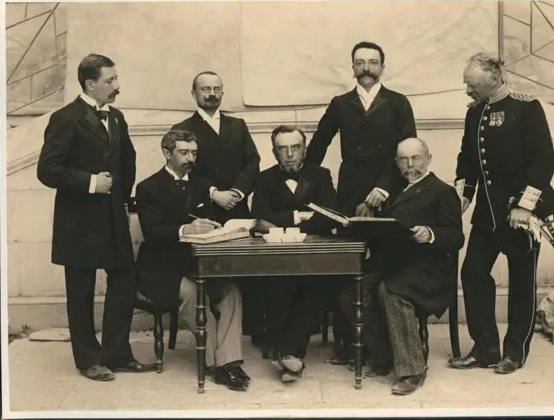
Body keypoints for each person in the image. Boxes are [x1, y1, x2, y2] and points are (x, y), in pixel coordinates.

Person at [37, 54, 155, 381]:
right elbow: (47, 170)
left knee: (123, 283)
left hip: (113, 219)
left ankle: (117, 353)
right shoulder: (65, 118)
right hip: (79, 223)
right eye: (110, 80)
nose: (117, 86)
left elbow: (127, 162)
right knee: (81, 291)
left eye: (116, 79)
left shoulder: (116, 117)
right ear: (91, 84)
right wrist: (92, 183)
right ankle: (88, 359)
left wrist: (118, 196)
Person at [305, 41, 417, 363]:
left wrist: (383, 189)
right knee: (347, 265)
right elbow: (317, 148)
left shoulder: (398, 103)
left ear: (383, 66)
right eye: (360, 62)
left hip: (389, 194)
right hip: (349, 196)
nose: (366, 68)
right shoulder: (341, 104)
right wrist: (314, 190)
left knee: (384, 264)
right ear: (352, 67)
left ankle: (384, 346)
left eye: (372, 62)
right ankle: (347, 347)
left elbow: (407, 152)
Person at [448, 53, 554, 375]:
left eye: (472, 85)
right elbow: (467, 160)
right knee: (472, 274)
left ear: (494, 78)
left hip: (522, 214)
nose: (467, 91)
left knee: (522, 283)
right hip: (488, 214)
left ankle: (514, 352)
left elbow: (543, 162)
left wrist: (524, 206)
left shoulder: (525, 107)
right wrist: (462, 200)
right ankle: (485, 348)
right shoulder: (474, 113)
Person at [338, 138, 465, 395]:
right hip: (393, 263)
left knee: (391, 291)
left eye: (416, 158)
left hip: (429, 268)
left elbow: (456, 237)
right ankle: (384, 355)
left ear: (428, 158)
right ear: (396, 163)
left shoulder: (442, 191)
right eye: (403, 160)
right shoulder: (394, 191)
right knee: (350, 294)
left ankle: (412, 369)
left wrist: (429, 233)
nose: (410, 165)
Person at [135, 129, 250, 391]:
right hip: (160, 270)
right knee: (194, 295)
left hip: (198, 265)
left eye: (194, 153)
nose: (190, 158)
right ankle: (219, 365)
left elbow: (211, 225)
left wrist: (218, 229)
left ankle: (228, 362)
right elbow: (152, 233)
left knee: (231, 291)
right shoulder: (147, 187)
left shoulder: (202, 185)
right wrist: (185, 230)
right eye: (183, 152)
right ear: (167, 153)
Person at [170, 71, 266, 350]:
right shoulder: (183, 128)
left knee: (251, 269)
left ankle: (254, 330)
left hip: (238, 208)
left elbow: (253, 162)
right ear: (194, 94)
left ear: (222, 93)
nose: (211, 94)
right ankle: (215, 339)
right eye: (205, 89)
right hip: (203, 212)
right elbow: (187, 170)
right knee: (212, 273)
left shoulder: (238, 125)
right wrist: (214, 193)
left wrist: (237, 192)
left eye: (216, 89)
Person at [250, 125, 338, 382]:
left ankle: (288, 353)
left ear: (305, 149)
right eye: (282, 149)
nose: (289, 154)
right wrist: (298, 216)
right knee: (277, 284)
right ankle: (290, 355)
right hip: (277, 254)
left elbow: (330, 215)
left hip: (315, 252)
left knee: (313, 286)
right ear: (274, 152)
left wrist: (283, 223)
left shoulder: (321, 174)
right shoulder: (264, 178)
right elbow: (260, 216)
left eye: (295, 148)